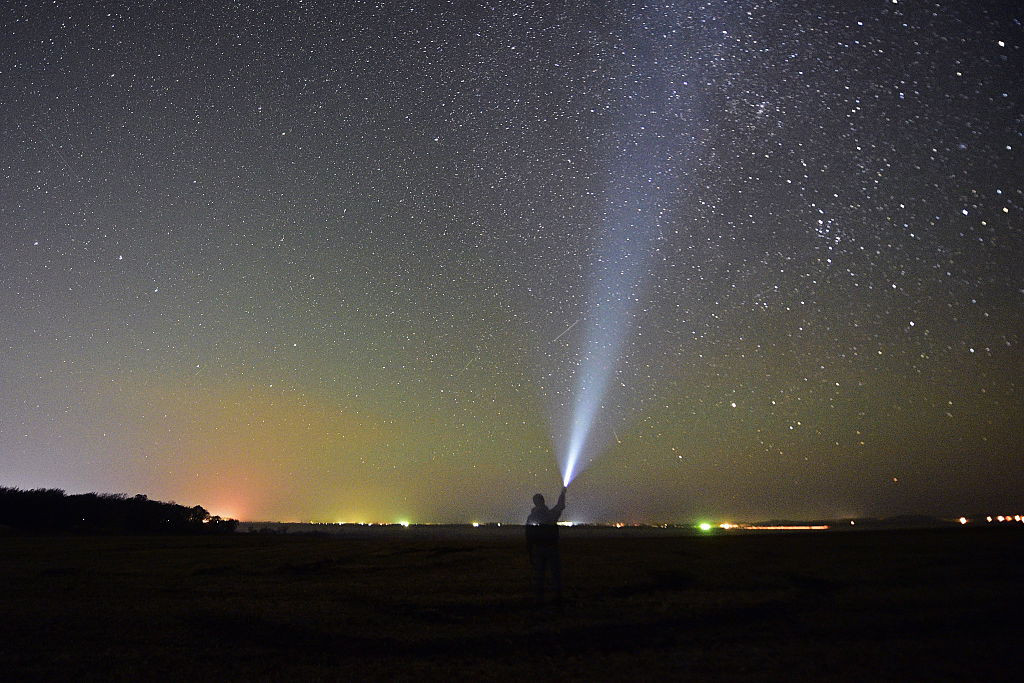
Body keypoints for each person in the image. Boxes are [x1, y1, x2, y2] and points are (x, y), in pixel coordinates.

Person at [525, 486, 567, 603]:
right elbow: (560, 506)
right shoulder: (551, 514)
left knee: (539, 575)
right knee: (555, 574)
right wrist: (562, 493)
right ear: (543, 501)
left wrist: (530, 552)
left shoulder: (532, 517)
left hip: (538, 549)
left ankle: (539, 598)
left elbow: (528, 536)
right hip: (552, 549)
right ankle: (557, 597)